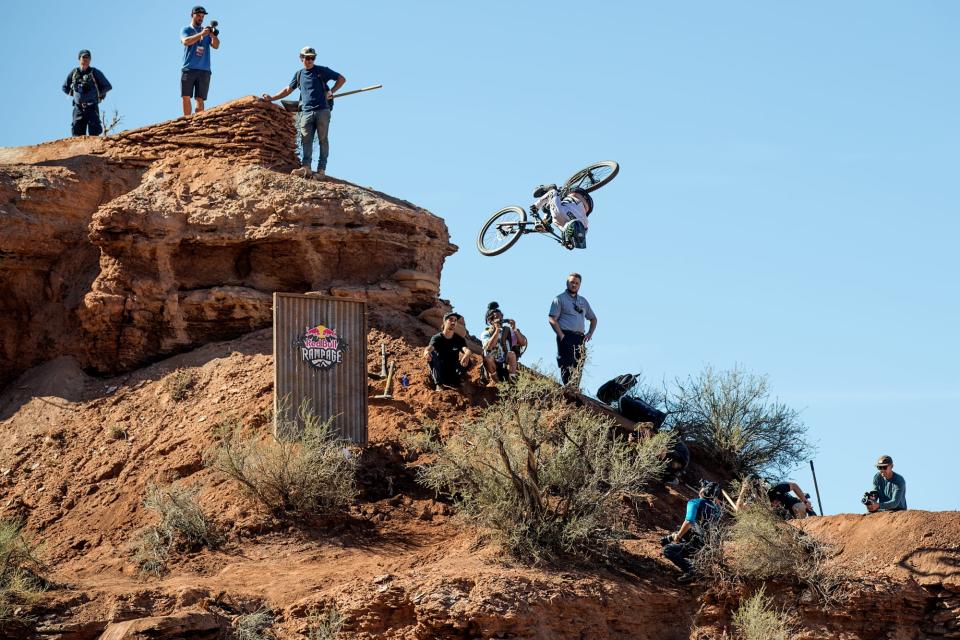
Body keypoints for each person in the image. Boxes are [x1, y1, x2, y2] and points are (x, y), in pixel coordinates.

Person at [262, 47, 345, 178]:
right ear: (301, 58)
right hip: (306, 112)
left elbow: (341, 78)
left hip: (322, 110)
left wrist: (331, 92)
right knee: (306, 140)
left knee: (323, 140)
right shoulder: (299, 74)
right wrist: (272, 98)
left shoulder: (321, 71)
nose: (310, 60)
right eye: (307, 57)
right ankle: (306, 168)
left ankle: (321, 170)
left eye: (313, 57)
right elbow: (288, 89)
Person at [662, 481, 723, 583]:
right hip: (709, 547)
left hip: (697, 545)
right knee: (682, 529)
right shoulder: (717, 509)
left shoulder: (695, 502)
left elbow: (689, 521)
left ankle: (691, 570)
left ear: (703, 491)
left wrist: (678, 537)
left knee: (668, 550)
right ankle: (692, 558)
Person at [548, 273, 597, 385]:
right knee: (567, 363)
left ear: (579, 285)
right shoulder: (559, 299)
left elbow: (593, 319)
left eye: (576, 283)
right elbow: (552, 318)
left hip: (580, 337)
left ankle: (575, 388)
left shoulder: (583, 301)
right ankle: (568, 388)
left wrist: (590, 333)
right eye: (572, 282)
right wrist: (561, 335)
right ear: (567, 283)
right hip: (566, 335)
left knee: (578, 363)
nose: (574, 285)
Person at [180, 6, 220, 116]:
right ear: (192, 15)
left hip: (204, 70)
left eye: (202, 16)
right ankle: (187, 122)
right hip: (189, 68)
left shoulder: (206, 31)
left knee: (200, 98)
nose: (200, 18)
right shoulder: (186, 29)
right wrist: (201, 34)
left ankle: (198, 123)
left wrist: (213, 36)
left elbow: (216, 46)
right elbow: (186, 41)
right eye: (198, 15)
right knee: (185, 96)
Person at [62, 49, 112, 136]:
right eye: (83, 57)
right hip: (78, 108)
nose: (86, 59)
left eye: (88, 57)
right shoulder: (74, 72)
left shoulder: (94, 72)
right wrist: (75, 94)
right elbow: (64, 87)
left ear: (90, 60)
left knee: (94, 133)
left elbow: (108, 86)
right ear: (79, 59)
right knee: (77, 134)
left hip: (91, 107)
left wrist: (95, 94)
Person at [423, 312, 476, 390]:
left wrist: (467, 355)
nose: (453, 322)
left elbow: (467, 350)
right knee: (432, 355)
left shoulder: (459, 339)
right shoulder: (437, 338)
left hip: (453, 371)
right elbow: (429, 348)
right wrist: (426, 352)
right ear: (444, 322)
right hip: (440, 370)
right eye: (450, 320)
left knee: (470, 361)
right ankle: (439, 384)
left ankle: (457, 380)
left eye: (455, 320)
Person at [530, 184, 593, 249]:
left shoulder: (584, 226)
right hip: (577, 196)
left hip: (586, 204)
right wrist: (535, 206)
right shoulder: (559, 214)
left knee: (549, 212)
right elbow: (552, 192)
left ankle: (544, 221)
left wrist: (568, 242)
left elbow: (578, 235)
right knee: (547, 205)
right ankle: (549, 188)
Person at [480, 302, 526, 383]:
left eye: (501, 317)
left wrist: (514, 329)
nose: (500, 320)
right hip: (493, 362)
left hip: (505, 360)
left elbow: (523, 343)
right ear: (491, 321)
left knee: (511, 354)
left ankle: (511, 381)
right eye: (497, 317)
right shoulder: (486, 333)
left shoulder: (507, 331)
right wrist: (497, 331)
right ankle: (497, 383)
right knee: (488, 358)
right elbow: (488, 347)